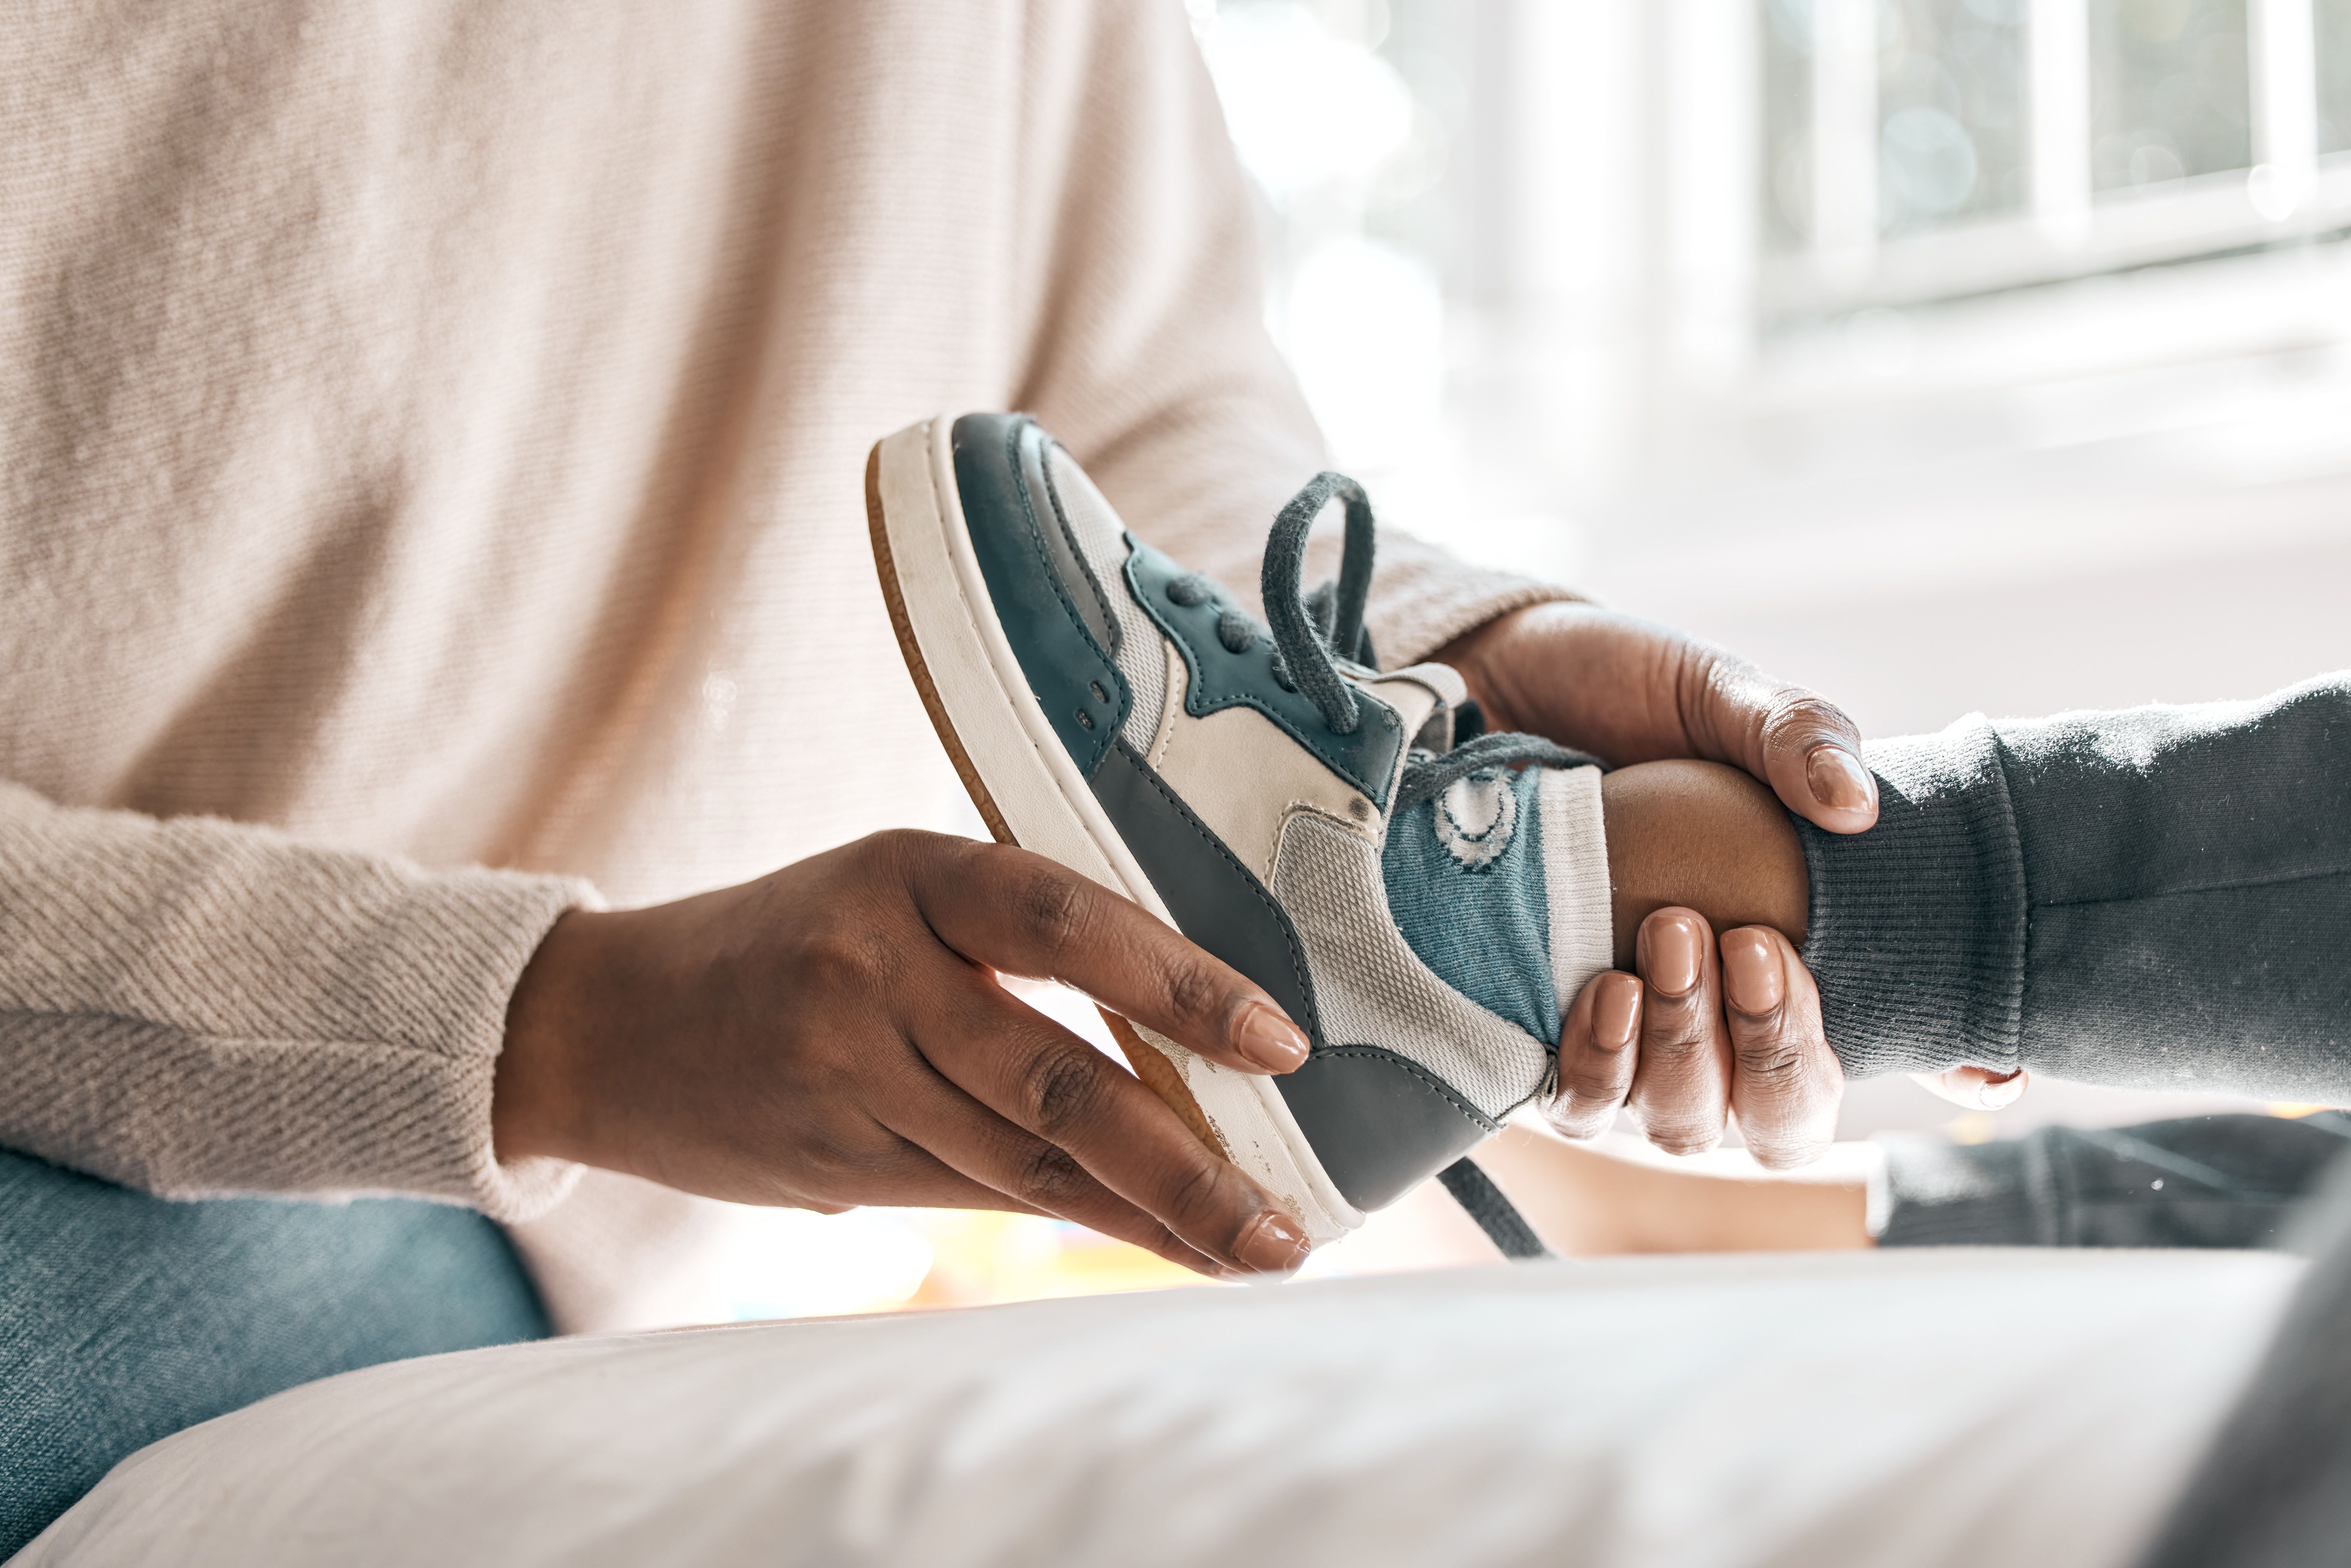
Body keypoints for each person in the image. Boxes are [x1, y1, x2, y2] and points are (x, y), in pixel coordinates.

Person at [0, 3, 1872, 1545]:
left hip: (551, 1203)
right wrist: (555, 1020)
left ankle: (2027, 1056)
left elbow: (1140, 409)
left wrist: (1439, 656)